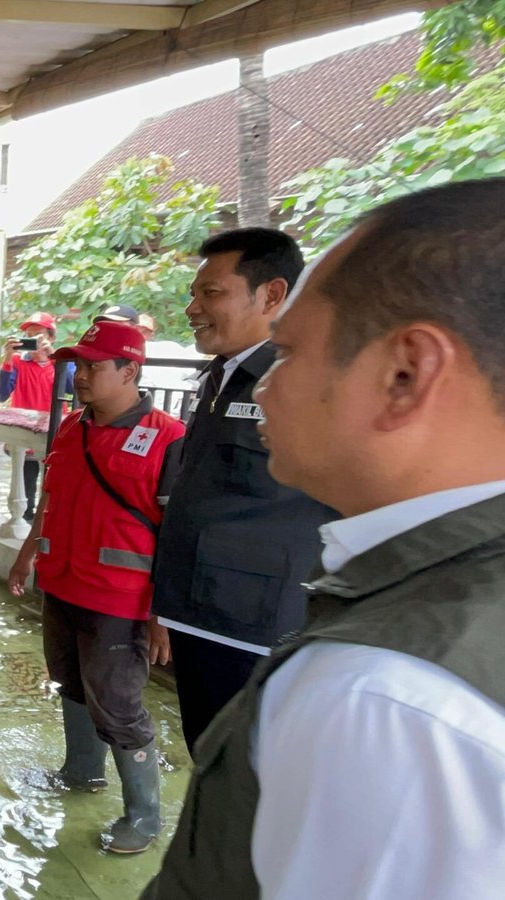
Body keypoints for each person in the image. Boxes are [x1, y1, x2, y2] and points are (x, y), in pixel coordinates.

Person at [144, 179, 505, 900]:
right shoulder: (426, 609)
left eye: (290, 353)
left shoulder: (386, 699)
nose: (269, 385)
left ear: (406, 374)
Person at [150, 228, 337, 748]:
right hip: (198, 613)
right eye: (194, 292)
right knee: (208, 754)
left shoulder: (305, 381)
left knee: (250, 776)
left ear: (272, 294)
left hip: (255, 630)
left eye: (211, 293)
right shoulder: (221, 376)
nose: (192, 308)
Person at [6, 322, 183, 854]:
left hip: (120, 600)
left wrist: (162, 614)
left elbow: (180, 534)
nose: (78, 377)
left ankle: (145, 818)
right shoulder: (71, 428)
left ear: (130, 371)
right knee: (72, 683)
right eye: (76, 366)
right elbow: (51, 501)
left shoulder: (170, 438)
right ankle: (82, 772)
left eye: (92, 367)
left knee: (119, 704)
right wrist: (25, 555)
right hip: (62, 586)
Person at [0, 312, 75, 520]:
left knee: (53, 490)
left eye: (38, 335)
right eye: (28, 335)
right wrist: (7, 358)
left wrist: (54, 357)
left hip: (55, 437)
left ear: (51, 338)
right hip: (26, 437)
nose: (32, 340)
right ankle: (27, 529)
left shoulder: (61, 362)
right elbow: (1, 394)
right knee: (26, 493)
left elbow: (74, 389)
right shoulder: (17, 362)